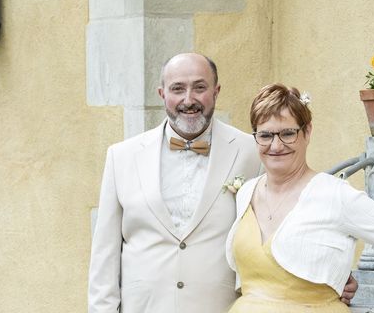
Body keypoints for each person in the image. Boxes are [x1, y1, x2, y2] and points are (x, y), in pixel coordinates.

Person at [87, 54, 357, 313]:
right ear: (162, 94)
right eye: (178, 88)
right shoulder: (121, 157)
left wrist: (332, 271)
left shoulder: (252, 149)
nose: (188, 99)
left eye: (199, 87)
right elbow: (105, 256)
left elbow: (290, 215)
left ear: (216, 92)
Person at [225, 83, 374, 313]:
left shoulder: (334, 194)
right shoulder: (246, 192)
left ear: (307, 131)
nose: (276, 146)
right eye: (266, 135)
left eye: (288, 133)